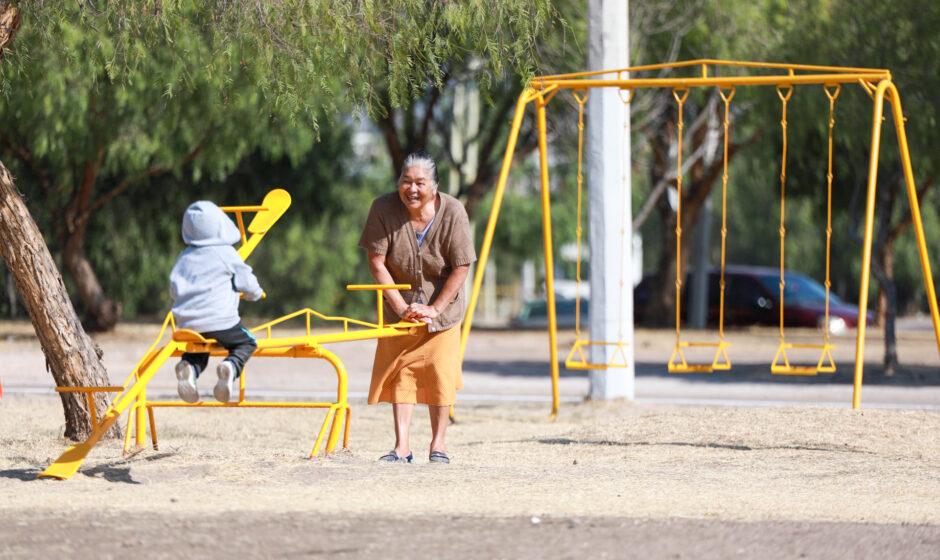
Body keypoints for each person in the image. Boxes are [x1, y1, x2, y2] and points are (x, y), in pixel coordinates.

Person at [359, 151, 476, 464]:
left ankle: (438, 445)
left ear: (434, 186)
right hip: (400, 309)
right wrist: (400, 306)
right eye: (405, 181)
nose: (411, 189)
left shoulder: (453, 211)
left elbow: (461, 267)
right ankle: (402, 447)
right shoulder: (382, 208)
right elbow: (376, 261)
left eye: (419, 183)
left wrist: (435, 309)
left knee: (440, 372)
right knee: (402, 375)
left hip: (444, 312)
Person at [170, 200, 264, 404]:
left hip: (188, 325)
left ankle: (189, 367)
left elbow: (174, 288)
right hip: (221, 322)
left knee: (198, 349)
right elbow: (246, 281)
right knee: (247, 342)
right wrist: (255, 293)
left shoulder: (184, 257)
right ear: (221, 224)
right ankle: (231, 365)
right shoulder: (226, 253)